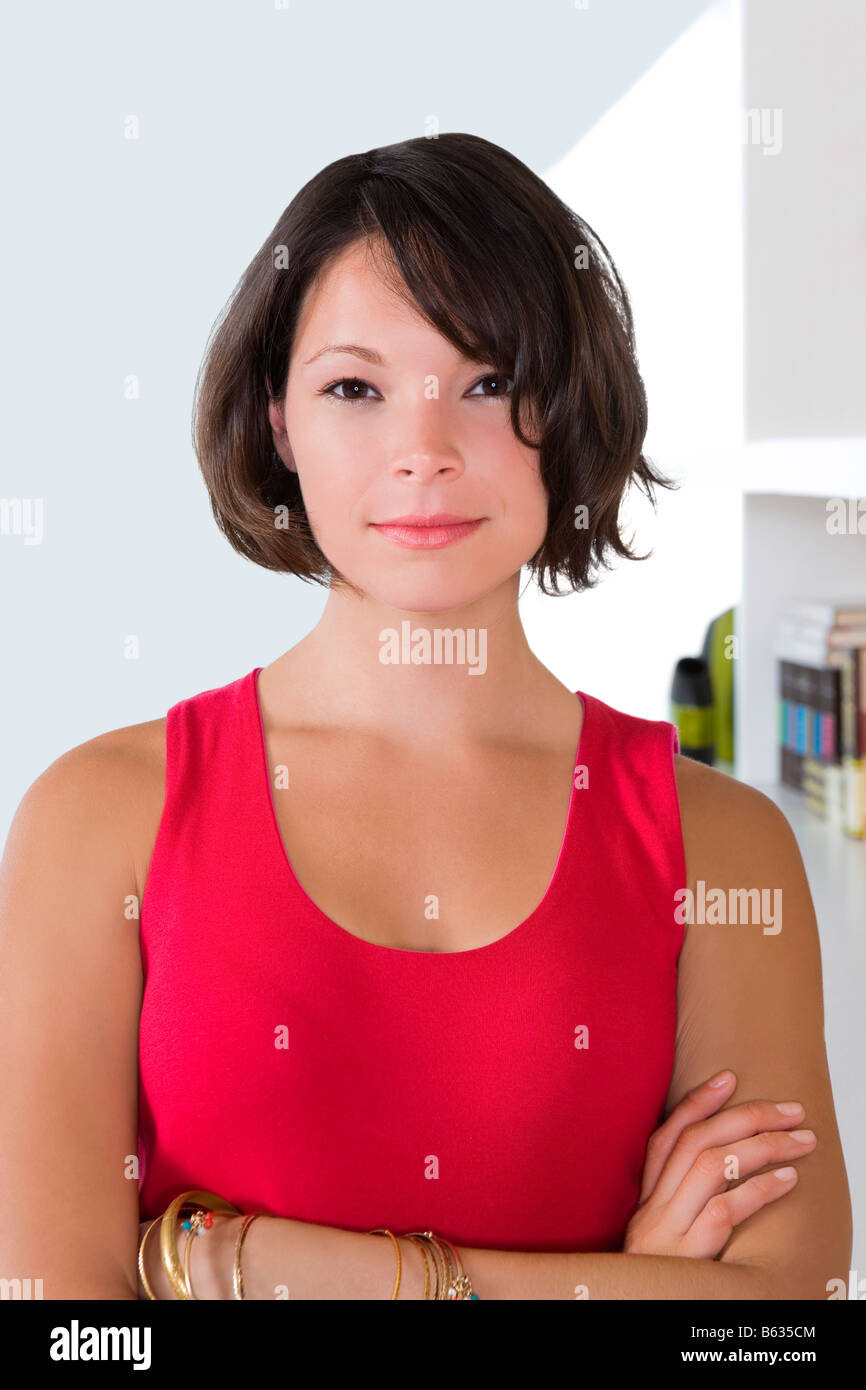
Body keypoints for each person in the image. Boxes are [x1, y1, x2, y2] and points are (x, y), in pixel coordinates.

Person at [0, 133, 851, 1300]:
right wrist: (613, 1287)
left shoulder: (719, 841)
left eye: (488, 382)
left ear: (570, 408)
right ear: (280, 423)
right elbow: (71, 1330)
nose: (423, 452)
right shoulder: (96, 818)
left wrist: (230, 1260)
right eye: (355, 388)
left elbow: (772, 1324)